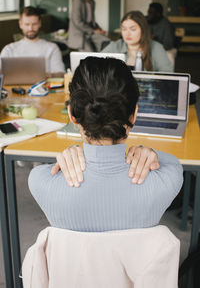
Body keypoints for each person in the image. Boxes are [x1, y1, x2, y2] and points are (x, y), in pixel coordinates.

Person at [29, 57, 183, 231]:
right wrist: (151, 152)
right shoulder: (168, 179)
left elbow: (39, 172)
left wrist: (69, 151)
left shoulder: (41, 182)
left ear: (72, 114)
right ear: (134, 115)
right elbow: (173, 163)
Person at [0, 6, 65, 76]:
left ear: (39, 23)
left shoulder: (52, 48)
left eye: (34, 24)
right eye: (27, 24)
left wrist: (44, 76)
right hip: (14, 87)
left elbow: (60, 73)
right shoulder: (9, 49)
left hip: (44, 86)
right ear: (20, 24)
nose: (30, 28)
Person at [102, 10, 173, 72]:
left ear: (143, 30)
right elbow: (95, 67)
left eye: (133, 29)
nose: (127, 34)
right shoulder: (115, 46)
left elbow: (168, 75)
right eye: (124, 29)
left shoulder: (156, 47)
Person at [147, 2, 177, 67]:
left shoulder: (167, 25)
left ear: (158, 14)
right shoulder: (146, 21)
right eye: (148, 12)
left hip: (165, 50)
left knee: (169, 55)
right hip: (147, 49)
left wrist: (154, 40)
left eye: (150, 13)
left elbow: (168, 45)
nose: (148, 15)